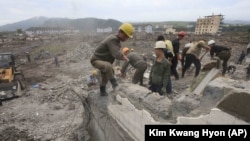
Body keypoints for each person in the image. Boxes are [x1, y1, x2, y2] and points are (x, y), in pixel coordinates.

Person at [90, 23, 134, 96]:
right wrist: (123, 57)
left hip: (103, 61)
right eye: (125, 36)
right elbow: (116, 53)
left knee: (106, 76)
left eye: (127, 37)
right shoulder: (112, 39)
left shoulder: (116, 41)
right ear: (120, 32)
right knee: (108, 66)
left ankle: (102, 90)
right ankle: (115, 85)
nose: (126, 38)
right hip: (96, 60)